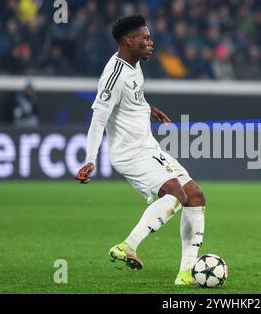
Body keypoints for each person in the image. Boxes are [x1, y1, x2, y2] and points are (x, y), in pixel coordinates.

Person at [75, 15, 206, 286]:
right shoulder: (113, 76)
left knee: (195, 196)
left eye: (149, 37)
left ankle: (186, 274)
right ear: (129, 41)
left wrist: (149, 108)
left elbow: (134, 97)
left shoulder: (134, 66)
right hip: (130, 153)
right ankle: (127, 245)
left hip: (148, 146)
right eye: (145, 38)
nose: (151, 42)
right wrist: (90, 159)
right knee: (175, 193)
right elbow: (98, 119)